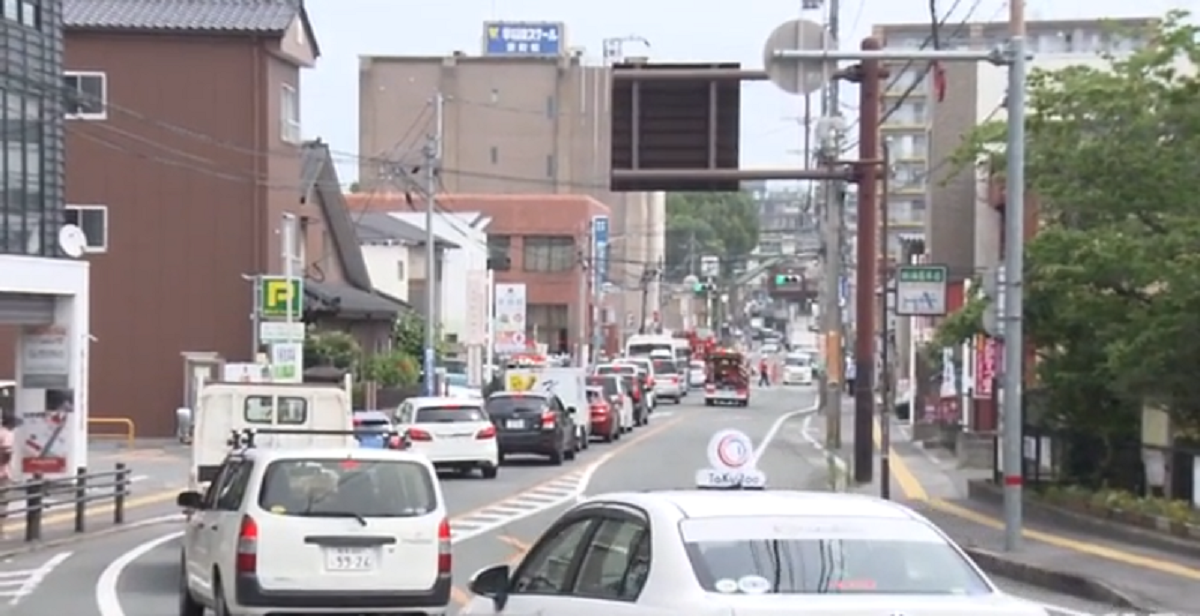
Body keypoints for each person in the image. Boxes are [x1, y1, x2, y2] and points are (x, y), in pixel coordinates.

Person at [0, 415, 15, 537]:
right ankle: (1, 532)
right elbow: (6, 452)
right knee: (3, 503)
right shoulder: (8, 434)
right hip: (2, 474)